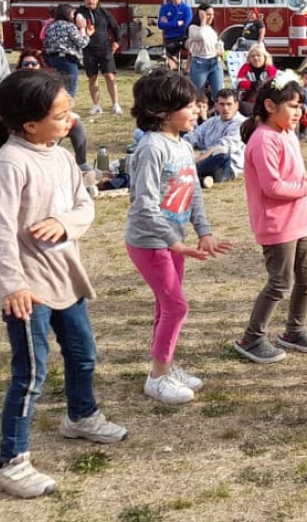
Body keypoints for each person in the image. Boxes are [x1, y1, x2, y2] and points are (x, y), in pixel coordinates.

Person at [0, 70, 128, 499]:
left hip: (65, 278)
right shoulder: (10, 163)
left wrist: (63, 223)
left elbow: (85, 205)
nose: (71, 119)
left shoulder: (62, 156)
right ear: (29, 123)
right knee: (31, 373)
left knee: (83, 354)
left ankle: (81, 416)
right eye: (61, 113)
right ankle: (11, 461)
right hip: (28, 290)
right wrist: (12, 284)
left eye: (70, 110)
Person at [125, 69, 232, 405]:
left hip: (175, 240)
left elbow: (194, 193)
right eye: (190, 106)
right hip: (150, 242)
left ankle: (166, 366)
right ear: (163, 112)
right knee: (176, 306)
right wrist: (173, 241)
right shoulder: (151, 149)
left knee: (167, 306)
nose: (198, 111)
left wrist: (204, 231)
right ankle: (157, 378)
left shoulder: (184, 145)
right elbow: (143, 205)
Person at [234, 71, 307, 364]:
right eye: (292, 105)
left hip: (300, 220)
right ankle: (251, 338)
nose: (299, 111)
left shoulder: (287, 134)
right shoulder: (263, 140)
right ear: (270, 106)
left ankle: (295, 331)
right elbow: (274, 186)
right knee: (280, 282)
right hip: (277, 224)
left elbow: (291, 178)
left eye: (300, 105)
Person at [18, 49, 91, 172]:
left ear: (40, 65)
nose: (30, 67)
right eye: (26, 64)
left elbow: (68, 100)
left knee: (76, 125)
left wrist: (63, 112)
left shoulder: (49, 81)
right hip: (29, 121)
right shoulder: (16, 83)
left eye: (33, 64)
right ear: (21, 66)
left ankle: (82, 162)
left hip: (50, 117)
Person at [183, 88, 246, 186]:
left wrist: (195, 161)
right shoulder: (211, 121)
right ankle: (202, 179)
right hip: (206, 162)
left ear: (236, 105)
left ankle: (187, 172)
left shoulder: (241, 124)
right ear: (216, 105)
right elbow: (194, 136)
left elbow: (222, 148)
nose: (225, 108)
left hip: (227, 165)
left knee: (222, 153)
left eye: (229, 104)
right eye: (222, 104)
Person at [76, 0, 122, 115]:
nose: (90, 1)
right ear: (83, 0)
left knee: (109, 75)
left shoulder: (104, 12)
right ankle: (96, 105)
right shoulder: (79, 13)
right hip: (88, 49)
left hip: (104, 48)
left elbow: (115, 27)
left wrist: (117, 42)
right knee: (92, 77)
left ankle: (115, 104)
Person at [42, 3, 89, 100]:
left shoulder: (50, 27)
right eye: (72, 14)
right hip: (68, 60)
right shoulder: (69, 26)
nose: (73, 16)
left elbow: (45, 43)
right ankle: (66, 108)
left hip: (52, 59)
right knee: (70, 87)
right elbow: (82, 43)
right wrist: (84, 30)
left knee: (56, 87)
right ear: (67, 14)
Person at [235, 44, 278, 117]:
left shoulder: (270, 68)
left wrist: (262, 85)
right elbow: (238, 82)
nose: (255, 58)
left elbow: (275, 83)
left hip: (267, 100)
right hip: (249, 100)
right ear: (249, 58)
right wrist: (252, 85)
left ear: (264, 57)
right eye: (253, 56)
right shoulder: (245, 68)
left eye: (258, 55)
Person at [157, 0, 192, 70]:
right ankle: (172, 74)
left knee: (193, 46)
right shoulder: (165, 8)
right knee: (171, 65)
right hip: (170, 37)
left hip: (183, 36)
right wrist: (176, 23)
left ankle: (188, 70)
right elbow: (160, 25)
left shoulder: (186, 9)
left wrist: (168, 23)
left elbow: (185, 25)